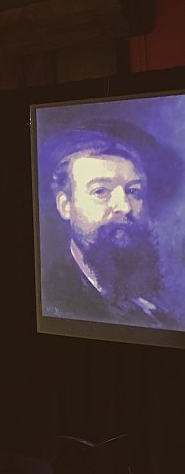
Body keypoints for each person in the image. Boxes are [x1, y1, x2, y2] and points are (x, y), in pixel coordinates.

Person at [40, 119, 183, 329]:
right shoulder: (54, 299)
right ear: (65, 205)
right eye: (101, 191)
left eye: (133, 191)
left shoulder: (154, 312)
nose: (124, 206)